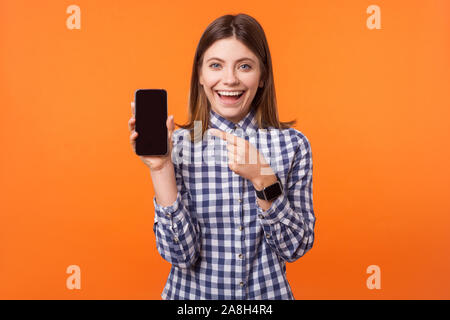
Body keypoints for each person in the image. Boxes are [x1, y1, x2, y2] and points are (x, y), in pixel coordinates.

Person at [128, 13, 315, 300]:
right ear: (200, 75)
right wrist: (161, 168)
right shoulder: (176, 146)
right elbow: (180, 255)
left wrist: (263, 176)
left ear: (262, 75)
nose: (229, 79)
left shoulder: (293, 145)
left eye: (244, 66)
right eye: (216, 65)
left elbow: (295, 248)